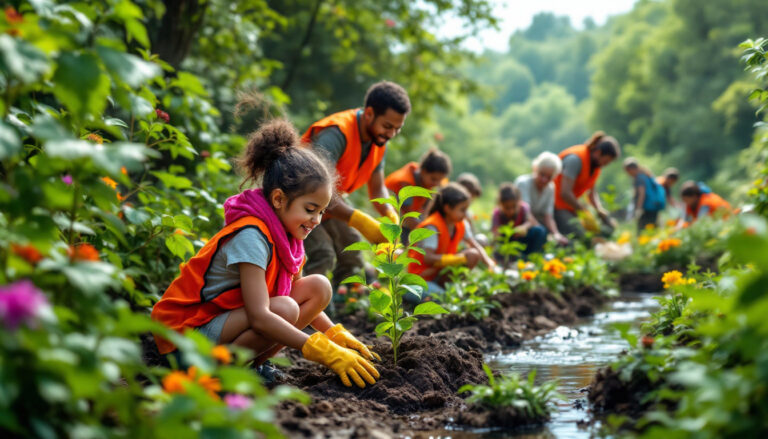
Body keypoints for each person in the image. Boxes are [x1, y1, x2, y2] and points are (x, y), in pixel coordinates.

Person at [151, 120, 379, 389]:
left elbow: (298, 291)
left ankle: (251, 365)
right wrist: (320, 350)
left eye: (321, 211)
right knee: (284, 308)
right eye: (310, 209)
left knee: (319, 287)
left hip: (221, 322)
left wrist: (333, 334)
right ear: (279, 199)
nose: (317, 219)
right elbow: (260, 315)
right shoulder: (252, 235)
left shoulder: (288, 235)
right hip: (185, 337)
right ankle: (215, 374)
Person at [301, 81, 409, 290]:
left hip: (327, 206)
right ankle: (308, 317)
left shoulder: (379, 141)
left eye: (397, 129)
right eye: (387, 126)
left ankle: (344, 301)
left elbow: (377, 187)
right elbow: (315, 189)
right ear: (369, 113)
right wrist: (362, 222)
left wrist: (389, 213)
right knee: (323, 254)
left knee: (352, 254)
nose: (391, 134)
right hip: (300, 203)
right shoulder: (336, 133)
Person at [406, 183, 486, 300]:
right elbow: (427, 257)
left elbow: (475, 245)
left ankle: (446, 290)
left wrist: (490, 264)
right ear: (447, 208)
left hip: (437, 275)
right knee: (446, 299)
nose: (466, 214)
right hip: (420, 279)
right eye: (462, 210)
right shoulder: (433, 226)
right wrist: (454, 259)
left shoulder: (459, 224)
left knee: (472, 255)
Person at [553, 131, 621, 239]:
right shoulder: (575, 160)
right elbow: (565, 193)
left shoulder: (595, 166)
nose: (605, 165)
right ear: (598, 153)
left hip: (570, 207)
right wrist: (583, 211)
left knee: (602, 229)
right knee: (580, 235)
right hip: (555, 205)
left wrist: (599, 210)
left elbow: (591, 192)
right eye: (606, 161)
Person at [385, 148, 451, 235]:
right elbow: (407, 215)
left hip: (409, 216)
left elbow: (427, 212)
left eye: (440, 180)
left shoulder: (431, 182)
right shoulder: (406, 183)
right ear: (423, 171)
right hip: (389, 215)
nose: (436, 183)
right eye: (433, 179)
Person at [514, 152, 569, 245]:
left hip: (535, 226)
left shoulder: (550, 188)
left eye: (549, 177)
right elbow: (526, 213)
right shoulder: (523, 183)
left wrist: (556, 234)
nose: (544, 180)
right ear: (535, 169)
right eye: (542, 174)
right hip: (519, 224)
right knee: (540, 232)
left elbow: (548, 216)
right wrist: (543, 232)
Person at [491, 182, 547, 263]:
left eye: (514, 207)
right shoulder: (497, 214)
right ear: (500, 204)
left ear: (519, 202)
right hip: (507, 242)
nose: (511, 211)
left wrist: (524, 227)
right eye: (507, 208)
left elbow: (531, 222)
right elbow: (495, 233)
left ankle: (531, 258)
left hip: (521, 241)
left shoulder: (524, 208)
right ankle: (506, 260)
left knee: (540, 230)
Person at [456, 172, 495, 266]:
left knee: (481, 240)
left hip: (465, 245)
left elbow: (471, 235)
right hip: (456, 248)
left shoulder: (467, 213)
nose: (470, 202)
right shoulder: (454, 212)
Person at [623, 158, 666, 230]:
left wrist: (638, 209)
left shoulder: (639, 178)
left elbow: (641, 194)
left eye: (627, 171)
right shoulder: (646, 175)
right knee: (653, 229)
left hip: (646, 208)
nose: (627, 174)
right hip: (654, 206)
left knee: (643, 231)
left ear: (631, 169)